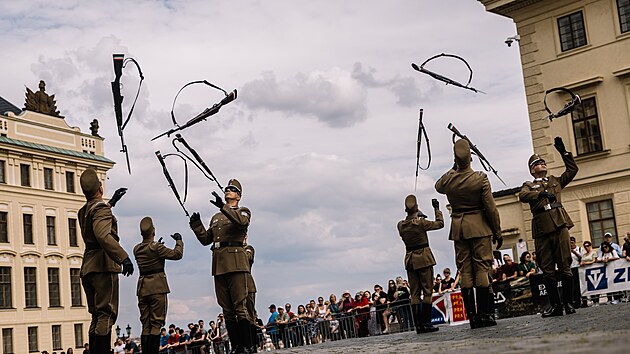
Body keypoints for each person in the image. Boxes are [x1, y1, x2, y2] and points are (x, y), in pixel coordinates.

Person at [435, 139, 502, 329]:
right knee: (482, 268)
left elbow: (438, 186)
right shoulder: (480, 178)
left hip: (459, 229)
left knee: (465, 271)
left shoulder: (449, 180)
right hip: (479, 227)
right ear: (471, 158)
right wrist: (497, 231)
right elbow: (491, 208)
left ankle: (472, 317)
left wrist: (454, 167)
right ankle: (484, 315)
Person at [189, 179, 253, 353]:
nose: (228, 191)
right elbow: (206, 240)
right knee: (227, 309)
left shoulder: (243, 211)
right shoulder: (216, 217)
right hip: (219, 263)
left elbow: (241, 223)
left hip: (236, 262)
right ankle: (236, 346)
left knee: (240, 308)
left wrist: (223, 207)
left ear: (238, 196)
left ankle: (247, 346)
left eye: (232, 190)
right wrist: (196, 225)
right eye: (227, 189)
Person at [519, 137, 578, 318]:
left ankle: (569, 303)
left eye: (543, 162)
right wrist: (541, 193)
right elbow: (523, 195)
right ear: (532, 169)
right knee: (548, 269)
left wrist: (564, 152)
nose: (542, 164)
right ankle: (555, 306)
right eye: (537, 163)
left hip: (560, 224)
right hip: (542, 229)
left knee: (565, 265)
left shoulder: (555, 181)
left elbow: (572, 170)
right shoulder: (529, 185)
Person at [78, 169, 134, 352]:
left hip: (88, 266)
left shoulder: (83, 211)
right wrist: (123, 257)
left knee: (96, 316)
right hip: (103, 265)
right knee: (106, 315)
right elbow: (103, 235)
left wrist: (111, 203)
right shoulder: (100, 209)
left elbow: (96, 214)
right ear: (100, 188)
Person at [133, 217, 184, 353]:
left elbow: (149, 253)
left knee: (146, 324)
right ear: (153, 231)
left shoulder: (136, 249)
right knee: (156, 323)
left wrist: (157, 248)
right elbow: (177, 254)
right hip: (157, 287)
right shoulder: (157, 248)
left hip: (143, 288)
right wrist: (179, 241)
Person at [397, 195, 443, 334]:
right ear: (417, 208)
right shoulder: (421, 223)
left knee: (415, 294)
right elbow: (440, 224)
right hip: (423, 258)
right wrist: (437, 209)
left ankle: (418, 326)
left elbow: (409, 224)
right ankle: (426, 323)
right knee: (427, 291)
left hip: (410, 259)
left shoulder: (400, 225)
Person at [569, 237, 582, 308]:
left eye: (572, 242)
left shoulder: (579, 249)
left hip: (578, 268)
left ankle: (580, 301)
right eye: (570, 243)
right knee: (573, 286)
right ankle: (574, 302)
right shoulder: (567, 250)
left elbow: (581, 257)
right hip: (571, 268)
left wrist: (574, 252)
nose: (571, 244)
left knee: (579, 286)